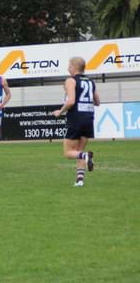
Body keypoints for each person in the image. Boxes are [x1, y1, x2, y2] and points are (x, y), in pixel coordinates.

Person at [52, 56, 100, 187]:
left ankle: (86, 156)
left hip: (76, 118)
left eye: (69, 66)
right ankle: (79, 180)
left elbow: (71, 101)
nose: (68, 68)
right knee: (79, 151)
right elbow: (97, 102)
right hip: (89, 118)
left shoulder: (71, 80)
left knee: (68, 153)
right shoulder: (91, 81)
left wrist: (60, 112)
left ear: (74, 67)